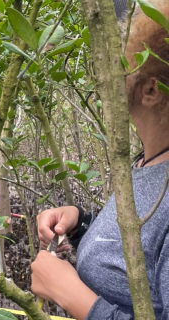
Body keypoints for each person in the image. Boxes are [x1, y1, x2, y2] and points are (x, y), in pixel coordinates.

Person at [31, 3, 169, 320]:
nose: (104, 74)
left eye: (121, 63)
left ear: (150, 90)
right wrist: (81, 224)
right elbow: (139, 250)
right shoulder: (146, 163)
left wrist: (72, 296)